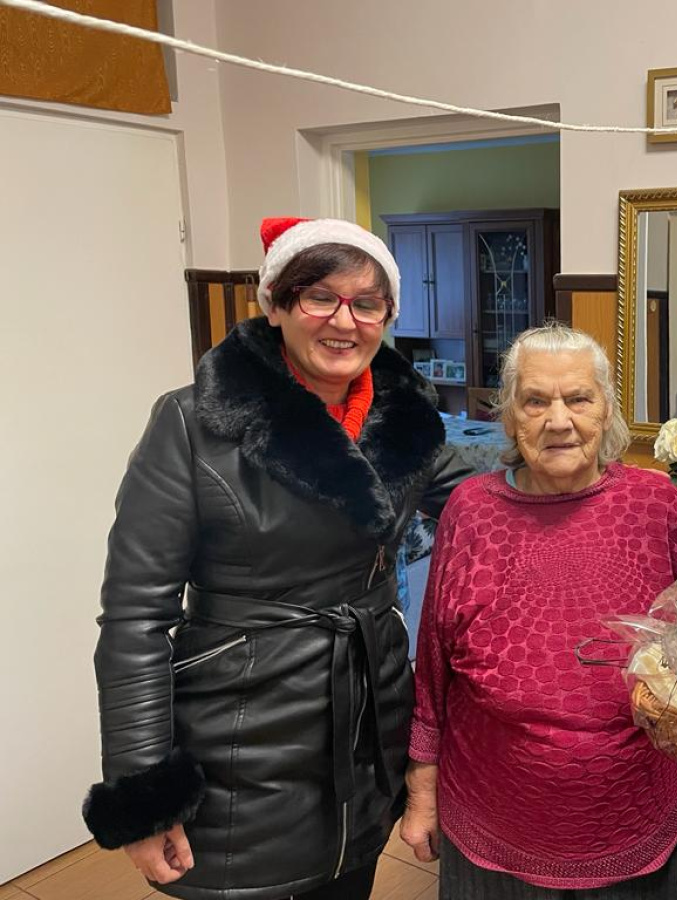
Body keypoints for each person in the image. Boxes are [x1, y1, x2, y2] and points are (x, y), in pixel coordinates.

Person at [82, 217, 472, 900]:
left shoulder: (407, 424)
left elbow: (495, 491)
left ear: (387, 316)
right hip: (240, 735)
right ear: (275, 304)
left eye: (367, 303)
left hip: (367, 719)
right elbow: (134, 620)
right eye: (320, 297)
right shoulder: (190, 425)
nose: (344, 322)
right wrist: (144, 793)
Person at [399, 323, 677, 898]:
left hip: (633, 818)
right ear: (509, 416)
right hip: (492, 818)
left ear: (607, 411)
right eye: (535, 401)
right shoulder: (470, 510)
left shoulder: (657, 504)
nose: (559, 420)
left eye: (579, 399)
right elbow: (433, 665)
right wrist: (422, 790)